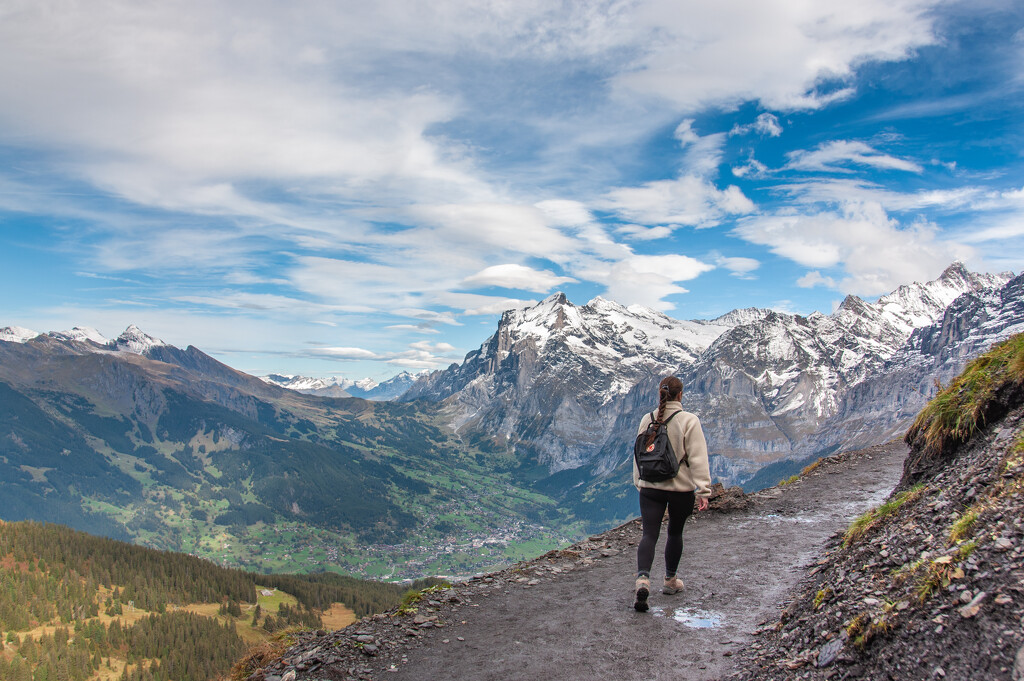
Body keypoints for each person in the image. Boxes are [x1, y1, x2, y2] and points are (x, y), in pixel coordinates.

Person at [632, 375, 711, 612]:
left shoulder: (647, 418)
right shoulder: (689, 420)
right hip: (680, 489)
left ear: (660, 395)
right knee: (675, 533)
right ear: (680, 395)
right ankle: (670, 581)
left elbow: (639, 453)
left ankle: (642, 579)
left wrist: (639, 481)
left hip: (649, 487)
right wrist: (704, 490)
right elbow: (697, 457)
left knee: (649, 535)